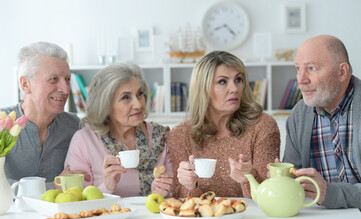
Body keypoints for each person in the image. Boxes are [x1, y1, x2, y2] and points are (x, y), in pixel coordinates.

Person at [167, 51, 280, 198]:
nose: (234, 89)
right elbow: (182, 200)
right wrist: (190, 186)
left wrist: (250, 177)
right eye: (222, 81)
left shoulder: (263, 126)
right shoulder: (180, 135)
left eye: (238, 79)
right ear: (203, 89)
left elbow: (271, 194)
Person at [64, 63, 173, 197]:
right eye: (126, 98)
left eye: (140, 94)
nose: (138, 104)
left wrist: (163, 192)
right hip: (107, 217)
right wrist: (107, 186)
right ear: (105, 105)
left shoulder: (161, 136)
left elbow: (177, 192)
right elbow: (76, 199)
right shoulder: (84, 140)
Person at [283, 35, 361, 209]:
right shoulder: (299, 115)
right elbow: (294, 178)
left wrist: (330, 193)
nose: (301, 79)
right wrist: (281, 178)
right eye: (298, 69)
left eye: (311, 68)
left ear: (342, 72)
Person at [1, 41, 84, 189]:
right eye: (53, 79)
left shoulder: (73, 126)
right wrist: (52, 186)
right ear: (25, 84)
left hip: (59, 212)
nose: (65, 90)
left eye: (67, 79)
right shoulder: (3, 122)